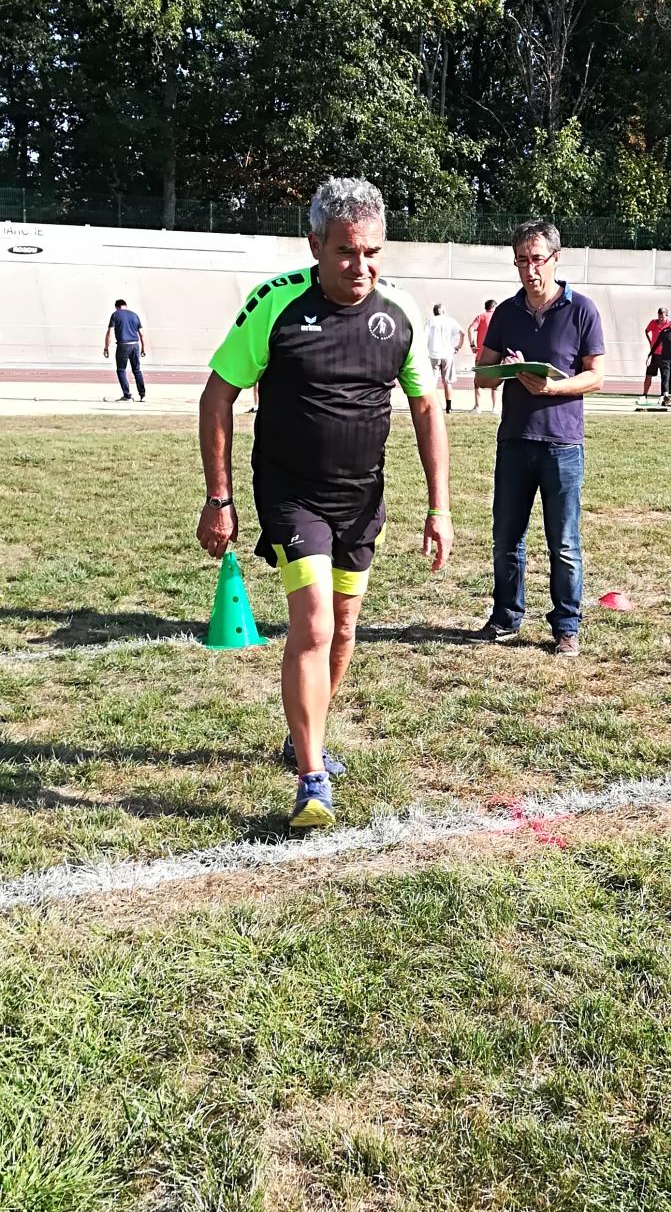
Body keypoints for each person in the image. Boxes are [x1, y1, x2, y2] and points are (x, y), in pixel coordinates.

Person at [197, 175, 452, 832]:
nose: (360, 265)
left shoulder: (397, 313)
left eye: (371, 251)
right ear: (315, 244)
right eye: (345, 251)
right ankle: (313, 779)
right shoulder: (276, 305)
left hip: (361, 499)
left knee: (342, 629)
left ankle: (300, 736)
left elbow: (426, 406)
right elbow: (217, 395)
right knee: (312, 625)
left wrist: (439, 507)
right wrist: (218, 498)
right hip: (290, 494)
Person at [474, 218, 605, 656]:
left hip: (563, 445)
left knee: (563, 542)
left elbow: (595, 377)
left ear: (555, 258)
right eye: (521, 261)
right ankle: (505, 617)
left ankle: (566, 625)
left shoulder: (582, 309)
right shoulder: (507, 313)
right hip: (514, 440)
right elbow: (484, 377)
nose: (529, 270)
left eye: (536, 260)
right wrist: (506, 368)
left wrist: (553, 386)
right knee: (506, 537)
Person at [104, 297, 147, 401]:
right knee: (137, 370)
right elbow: (141, 334)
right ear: (125, 306)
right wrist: (143, 348)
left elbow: (109, 333)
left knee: (121, 370)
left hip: (123, 345)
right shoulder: (134, 315)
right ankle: (142, 395)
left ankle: (127, 395)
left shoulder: (115, 315)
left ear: (117, 307)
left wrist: (106, 348)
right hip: (135, 345)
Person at [426, 303, 465, 413]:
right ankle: (449, 407)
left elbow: (424, 337)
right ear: (443, 311)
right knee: (447, 382)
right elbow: (462, 333)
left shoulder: (431, 321)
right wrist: (458, 346)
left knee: (432, 382)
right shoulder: (450, 321)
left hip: (433, 354)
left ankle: (432, 406)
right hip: (447, 354)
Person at [469, 299, 498, 410]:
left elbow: (471, 329)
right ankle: (495, 407)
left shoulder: (480, 317)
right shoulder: (498, 317)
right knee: (495, 381)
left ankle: (478, 406)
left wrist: (472, 344)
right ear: (494, 307)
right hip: (496, 354)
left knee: (477, 381)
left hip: (481, 354)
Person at [643, 307, 669, 397]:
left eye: (662, 317)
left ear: (666, 316)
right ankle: (644, 394)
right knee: (648, 374)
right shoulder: (653, 322)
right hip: (654, 354)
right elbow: (646, 331)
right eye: (659, 317)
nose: (660, 319)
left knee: (664, 376)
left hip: (664, 355)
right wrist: (650, 342)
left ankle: (663, 396)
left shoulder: (669, 324)